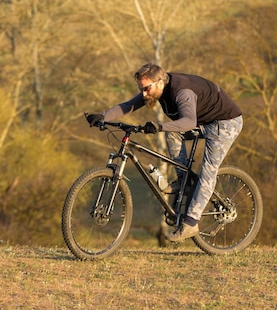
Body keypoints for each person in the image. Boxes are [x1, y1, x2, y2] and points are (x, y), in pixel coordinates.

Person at [86, 63, 243, 242]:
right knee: (173, 135)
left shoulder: (182, 92)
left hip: (225, 122)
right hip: (206, 121)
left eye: (146, 89)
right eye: (141, 89)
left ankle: (191, 223)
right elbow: (129, 105)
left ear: (159, 82)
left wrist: (160, 127)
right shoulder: (157, 88)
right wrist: (102, 116)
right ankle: (185, 181)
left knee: (208, 170)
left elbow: (189, 122)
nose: (144, 94)